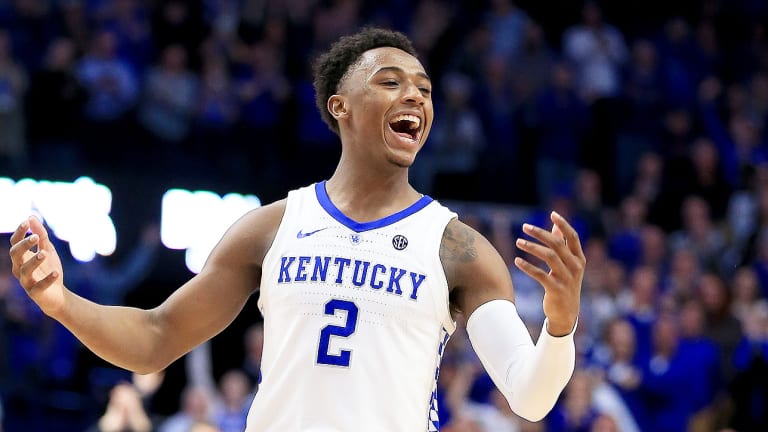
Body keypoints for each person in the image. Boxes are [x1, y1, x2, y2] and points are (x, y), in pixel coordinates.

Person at [8, 27, 584, 431]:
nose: (415, 95)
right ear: (340, 106)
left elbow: (530, 397)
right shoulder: (270, 228)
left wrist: (560, 326)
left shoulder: (458, 248)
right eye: (390, 81)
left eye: (424, 89)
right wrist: (61, 302)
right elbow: (155, 339)